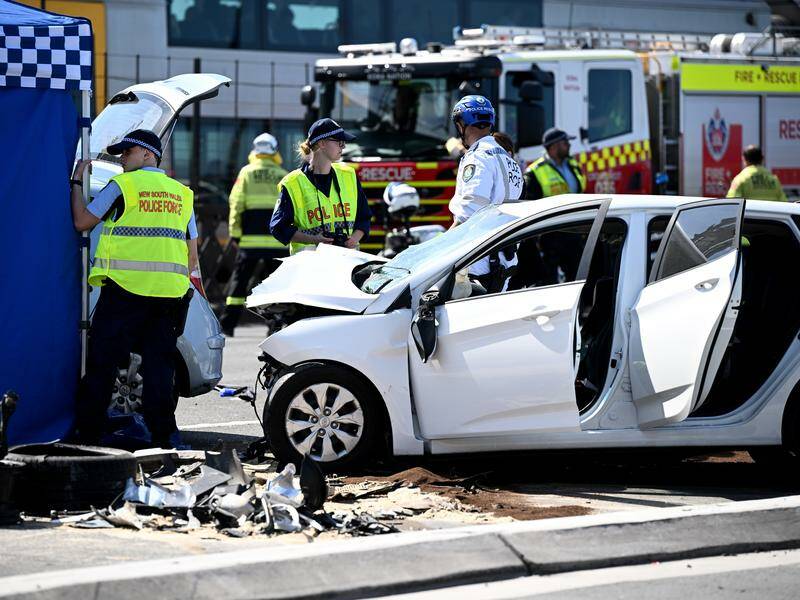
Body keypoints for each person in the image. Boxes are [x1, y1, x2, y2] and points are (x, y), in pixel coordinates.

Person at [70, 129, 197, 449]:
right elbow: (192, 252)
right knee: (159, 368)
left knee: (103, 363)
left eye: (128, 152)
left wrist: (75, 183)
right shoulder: (182, 194)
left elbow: (82, 222)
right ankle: (165, 438)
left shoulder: (122, 186)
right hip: (170, 293)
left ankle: (88, 435)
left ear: (148, 155)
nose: (122, 158)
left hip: (125, 291)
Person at [448, 96, 523, 295]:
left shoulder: (477, 157)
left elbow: (469, 213)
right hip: (504, 260)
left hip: (477, 263)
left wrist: (439, 250)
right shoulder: (509, 161)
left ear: (462, 124)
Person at [219, 133, 288, 336]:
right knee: (275, 286)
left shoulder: (247, 173)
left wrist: (235, 233)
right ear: (275, 151)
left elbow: (237, 203)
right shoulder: (283, 175)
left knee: (239, 284)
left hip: (250, 242)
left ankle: (227, 326)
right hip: (277, 243)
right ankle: (275, 327)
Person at [270, 118, 371, 254]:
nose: (343, 146)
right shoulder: (292, 183)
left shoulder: (349, 175)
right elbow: (279, 228)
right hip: (309, 269)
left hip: (346, 266)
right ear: (322, 143)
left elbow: (364, 218)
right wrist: (313, 239)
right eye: (339, 142)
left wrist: (353, 239)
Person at [524, 128, 586, 199]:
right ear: (554, 147)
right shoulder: (533, 172)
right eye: (565, 143)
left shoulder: (573, 163)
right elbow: (531, 203)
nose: (569, 145)